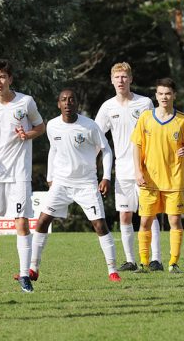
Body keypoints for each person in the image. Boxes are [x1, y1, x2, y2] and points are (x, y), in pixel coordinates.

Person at [25, 88, 121, 283]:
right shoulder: (52, 125)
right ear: (58, 104)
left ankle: (112, 271)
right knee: (42, 221)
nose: (68, 103)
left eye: (71, 100)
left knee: (99, 225)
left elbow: (107, 150)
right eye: (64, 100)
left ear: (77, 103)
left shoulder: (90, 126)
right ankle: (33, 269)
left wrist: (106, 178)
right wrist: (51, 177)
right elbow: (54, 150)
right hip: (61, 183)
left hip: (86, 184)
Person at [0, 59, 45, 293]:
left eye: (2, 77)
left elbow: (40, 127)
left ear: (10, 79)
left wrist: (28, 134)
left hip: (19, 173)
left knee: (21, 223)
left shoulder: (26, 102)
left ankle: (24, 275)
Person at [95, 62, 162, 272]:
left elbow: (156, 133)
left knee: (148, 214)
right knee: (125, 215)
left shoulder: (144, 103)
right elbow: (96, 136)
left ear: (131, 79)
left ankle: (156, 259)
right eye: (117, 77)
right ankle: (130, 260)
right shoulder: (108, 107)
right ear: (112, 80)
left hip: (146, 169)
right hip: (122, 169)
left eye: (124, 77)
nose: (121, 81)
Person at [131, 78, 184, 274]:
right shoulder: (145, 118)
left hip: (174, 180)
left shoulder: (183, 120)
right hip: (149, 180)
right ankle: (144, 263)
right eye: (160, 93)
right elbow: (137, 145)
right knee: (145, 221)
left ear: (174, 95)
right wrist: (137, 171)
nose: (164, 97)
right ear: (156, 95)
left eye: (167, 93)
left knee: (174, 221)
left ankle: (173, 263)